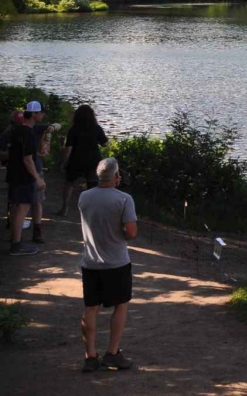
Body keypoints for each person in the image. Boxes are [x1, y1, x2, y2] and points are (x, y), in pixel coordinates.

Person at [77, 157, 137, 372]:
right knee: (121, 305)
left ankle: (90, 356)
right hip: (117, 262)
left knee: (91, 308)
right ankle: (112, 353)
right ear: (116, 176)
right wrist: (120, 234)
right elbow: (131, 233)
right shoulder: (124, 199)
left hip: (90, 262)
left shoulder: (84, 197)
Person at [6, 101, 46, 255]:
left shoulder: (17, 130)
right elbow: (28, 159)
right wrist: (38, 178)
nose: (43, 115)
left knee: (15, 207)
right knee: (22, 209)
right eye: (41, 112)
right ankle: (16, 245)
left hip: (13, 173)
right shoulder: (28, 133)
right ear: (34, 114)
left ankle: (14, 240)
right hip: (24, 176)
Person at [58, 104, 109, 217]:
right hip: (93, 161)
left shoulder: (73, 129)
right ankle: (92, 211)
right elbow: (105, 144)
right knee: (93, 185)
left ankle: (65, 208)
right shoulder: (97, 128)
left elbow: (68, 148)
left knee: (69, 183)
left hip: (76, 160)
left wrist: (63, 162)